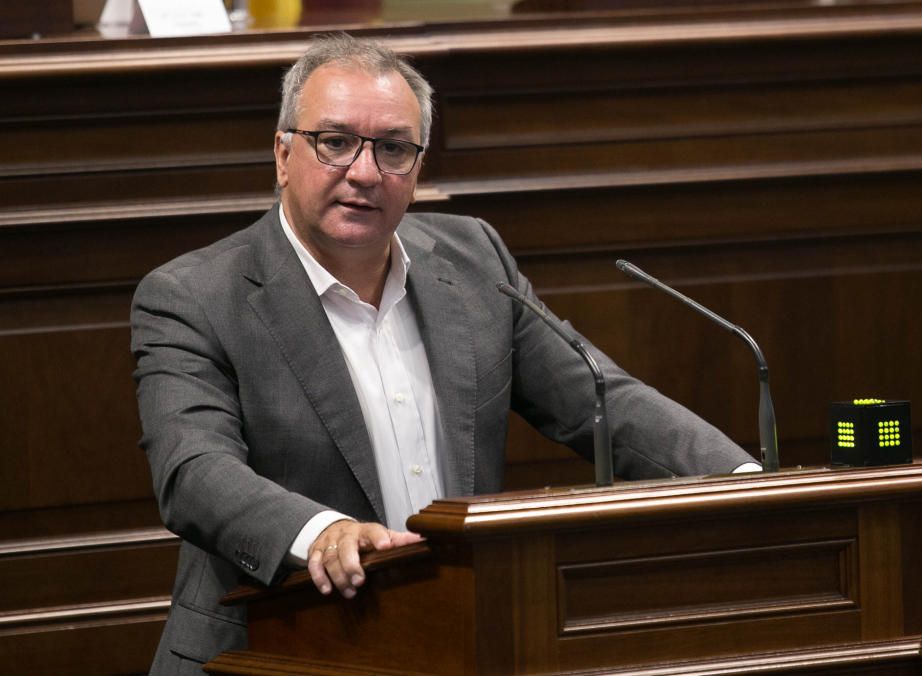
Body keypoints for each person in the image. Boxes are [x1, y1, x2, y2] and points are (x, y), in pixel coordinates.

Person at [130, 32, 760, 673]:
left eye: (394, 149)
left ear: (418, 166)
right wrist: (321, 533)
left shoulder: (473, 260)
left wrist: (749, 487)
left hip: (454, 641)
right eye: (336, 142)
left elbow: (601, 400)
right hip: (272, 644)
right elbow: (194, 471)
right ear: (283, 153)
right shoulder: (194, 296)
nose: (365, 172)